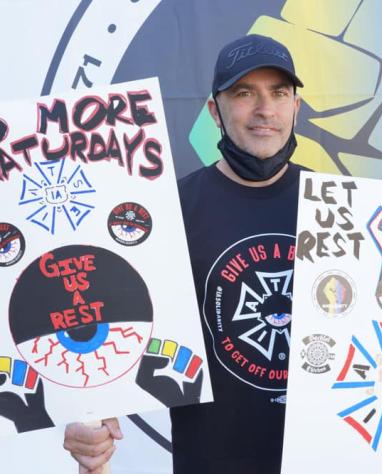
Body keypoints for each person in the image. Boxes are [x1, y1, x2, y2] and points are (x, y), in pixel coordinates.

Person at [64, 33, 304, 474]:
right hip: (211, 463)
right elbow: (113, 333)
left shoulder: (342, 211)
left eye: (279, 93)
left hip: (327, 459)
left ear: (296, 107)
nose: (265, 110)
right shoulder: (165, 214)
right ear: (215, 110)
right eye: (244, 93)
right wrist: (90, 418)